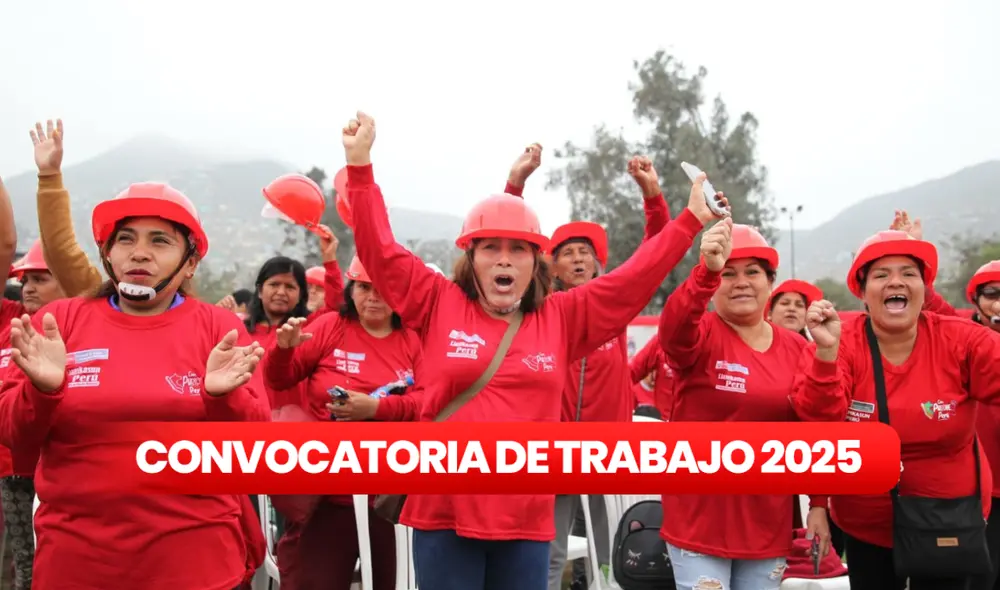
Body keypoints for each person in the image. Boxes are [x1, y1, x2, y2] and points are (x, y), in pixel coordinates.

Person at [340, 111, 724, 590]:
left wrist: (689, 220)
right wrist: (360, 168)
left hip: (526, 516)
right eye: (491, 248)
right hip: (444, 510)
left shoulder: (561, 317)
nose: (504, 258)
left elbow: (633, 279)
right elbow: (379, 249)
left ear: (535, 262)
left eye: (519, 249)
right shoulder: (436, 300)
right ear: (472, 258)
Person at [0, 180, 271, 590]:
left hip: (197, 566)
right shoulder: (60, 322)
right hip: (75, 566)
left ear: (190, 262)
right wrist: (42, 392)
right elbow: (14, 435)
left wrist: (222, 399)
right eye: (125, 239)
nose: (139, 252)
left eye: (160, 241)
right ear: (108, 254)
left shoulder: (221, 328)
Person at [796, 229, 1000, 590]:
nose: (896, 281)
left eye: (908, 273)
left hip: (948, 520)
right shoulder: (842, 341)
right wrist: (825, 355)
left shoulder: (963, 340)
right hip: (866, 523)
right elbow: (819, 422)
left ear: (924, 289)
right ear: (862, 292)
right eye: (881, 274)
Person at [656, 220, 828, 590]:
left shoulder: (798, 348)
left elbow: (813, 429)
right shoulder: (701, 333)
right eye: (728, 274)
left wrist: (818, 503)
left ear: (770, 282)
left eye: (752, 272)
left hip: (767, 524)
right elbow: (674, 330)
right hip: (698, 522)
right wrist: (705, 271)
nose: (741, 282)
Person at [544, 153, 671, 590]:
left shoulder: (612, 309)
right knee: (551, 546)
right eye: (567, 254)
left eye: (586, 253)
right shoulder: (543, 312)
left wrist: (652, 195)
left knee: (609, 541)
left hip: (608, 445)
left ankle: (597, 585)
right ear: (552, 267)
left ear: (599, 265)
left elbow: (657, 249)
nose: (578, 260)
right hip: (553, 445)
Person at [261, 256, 423, 590]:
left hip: (389, 500)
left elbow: (429, 403)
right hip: (325, 494)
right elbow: (279, 379)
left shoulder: (415, 340)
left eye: (383, 290)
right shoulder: (330, 326)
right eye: (364, 287)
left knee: (393, 583)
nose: (373, 297)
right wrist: (283, 351)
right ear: (352, 290)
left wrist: (377, 408)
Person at [0, 241, 66, 590]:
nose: (28, 288)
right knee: (25, 565)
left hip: (59, 468)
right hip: (13, 472)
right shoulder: (11, 321)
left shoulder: (81, 324)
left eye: (40, 279)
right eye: (24, 280)